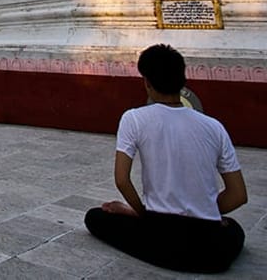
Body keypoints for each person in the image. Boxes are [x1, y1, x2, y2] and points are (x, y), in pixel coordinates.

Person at [84, 44, 248, 274]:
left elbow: (122, 180)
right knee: (235, 230)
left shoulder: (134, 118)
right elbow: (239, 195)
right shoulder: (214, 126)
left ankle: (147, 224)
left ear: (147, 83)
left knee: (96, 217)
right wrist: (205, 213)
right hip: (212, 251)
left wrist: (140, 213)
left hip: (158, 236)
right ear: (183, 80)